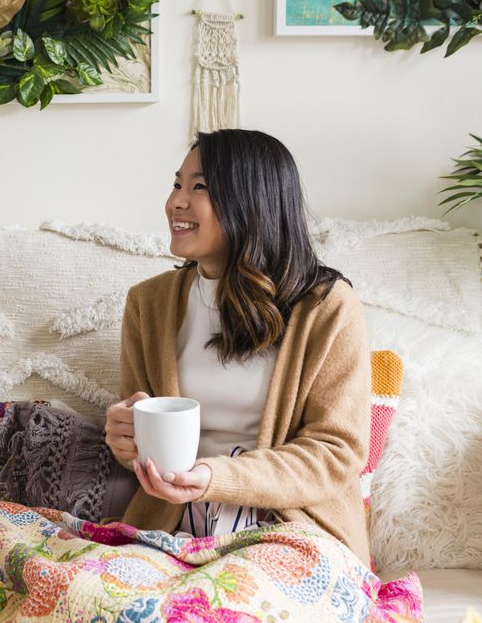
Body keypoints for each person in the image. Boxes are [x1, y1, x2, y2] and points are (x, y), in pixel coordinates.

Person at [104, 129, 372, 563]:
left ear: (252, 201)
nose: (177, 202)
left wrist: (215, 476)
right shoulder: (147, 304)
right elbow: (140, 447)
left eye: (200, 187)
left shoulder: (327, 309)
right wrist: (125, 438)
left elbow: (335, 454)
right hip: (173, 531)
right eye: (176, 184)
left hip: (288, 530)